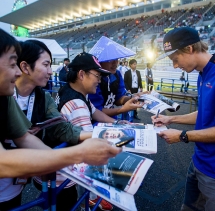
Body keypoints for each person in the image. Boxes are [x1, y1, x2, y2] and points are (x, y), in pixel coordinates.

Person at [0, 28, 121, 211]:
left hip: (15, 185)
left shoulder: (31, 97)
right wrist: (77, 154)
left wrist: (96, 136)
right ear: (26, 67)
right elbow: (3, 162)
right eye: (12, 65)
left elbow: (25, 136)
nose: (51, 72)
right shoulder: (10, 95)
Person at [152, 27, 215, 211]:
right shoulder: (202, 73)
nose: (175, 66)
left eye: (175, 60)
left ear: (189, 49)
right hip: (198, 162)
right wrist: (170, 120)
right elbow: (205, 112)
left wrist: (182, 136)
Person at [57, 52, 128, 211]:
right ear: (81, 74)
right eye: (97, 75)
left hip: (59, 168)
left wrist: (116, 123)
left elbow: (95, 112)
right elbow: (91, 145)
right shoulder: (77, 104)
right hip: (62, 177)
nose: (99, 80)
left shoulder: (73, 91)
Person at [89, 37, 145, 120]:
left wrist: (133, 97)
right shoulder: (93, 79)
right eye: (110, 60)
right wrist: (123, 109)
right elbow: (96, 111)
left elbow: (118, 99)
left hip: (113, 119)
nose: (115, 63)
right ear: (99, 61)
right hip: (95, 123)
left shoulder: (117, 74)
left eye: (116, 58)